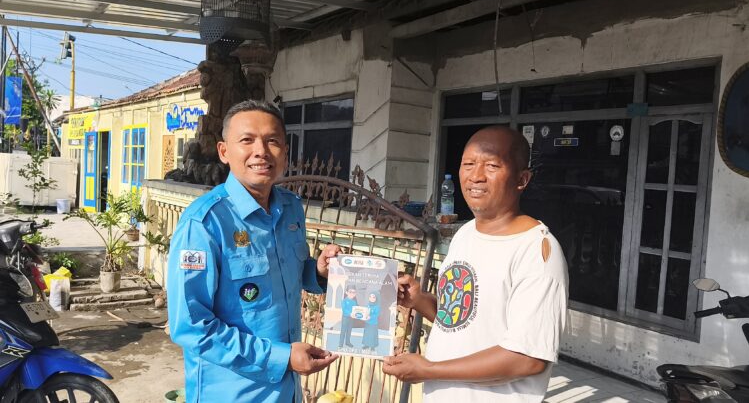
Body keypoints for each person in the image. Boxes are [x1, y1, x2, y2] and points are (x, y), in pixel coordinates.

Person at [167, 99, 341, 403]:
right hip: (232, 394)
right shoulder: (205, 222)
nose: (261, 151)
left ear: (285, 151)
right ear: (224, 151)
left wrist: (318, 270)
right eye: (247, 140)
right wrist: (281, 358)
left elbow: (289, 271)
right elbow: (192, 326)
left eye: (272, 141)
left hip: (286, 391)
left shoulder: (290, 207)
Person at [383, 126, 569, 402]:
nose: (476, 176)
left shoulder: (537, 252)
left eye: (492, 166)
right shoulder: (466, 234)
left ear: (522, 179)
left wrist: (429, 369)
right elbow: (462, 321)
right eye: (468, 164)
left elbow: (527, 359)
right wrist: (419, 300)